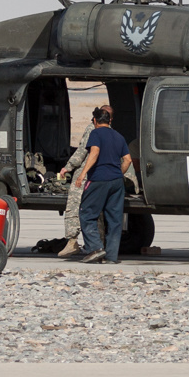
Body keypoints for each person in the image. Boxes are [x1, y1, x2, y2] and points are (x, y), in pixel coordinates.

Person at [74, 106, 133, 264]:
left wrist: (81, 174)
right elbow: (127, 160)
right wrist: (118, 174)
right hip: (116, 182)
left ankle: (95, 248)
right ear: (110, 120)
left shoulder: (96, 133)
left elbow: (94, 153)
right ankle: (112, 257)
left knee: (87, 214)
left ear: (94, 120)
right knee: (114, 220)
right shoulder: (119, 136)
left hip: (99, 180)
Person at [56, 107, 108, 259]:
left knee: (73, 204)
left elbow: (81, 152)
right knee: (97, 212)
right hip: (101, 175)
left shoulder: (93, 129)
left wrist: (68, 167)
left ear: (95, 119)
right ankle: (99, 246)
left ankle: (72, 241)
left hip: (85, 174)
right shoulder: (112, 132)